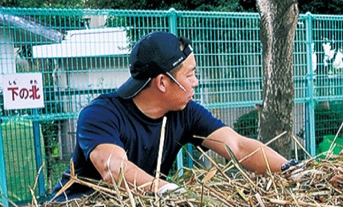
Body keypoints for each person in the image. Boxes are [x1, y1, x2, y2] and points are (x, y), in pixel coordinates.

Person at [57, 31, 303, 197]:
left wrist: (290, 169)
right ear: (163, 82)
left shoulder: (184, 112)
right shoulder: (100, 114)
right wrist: (174, 194)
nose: (196, 81)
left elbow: (237, 146)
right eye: (190, 74)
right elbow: (114, 169)